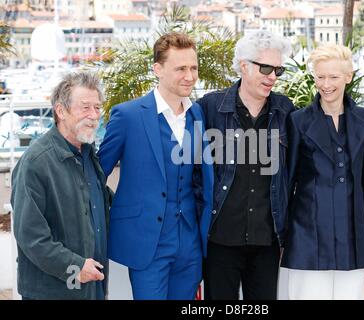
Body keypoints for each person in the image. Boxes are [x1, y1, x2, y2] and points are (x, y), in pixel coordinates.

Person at [98, 32, 213, 300]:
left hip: (190, 245)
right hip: (147, 243)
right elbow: (95, 175)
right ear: (158, 69)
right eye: (181, 68)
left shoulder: (198, 114)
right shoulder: (126, 116)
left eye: (194, 68)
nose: (190, 76)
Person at [197, 30, 294, 300]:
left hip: (267, 241)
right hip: (220, 239)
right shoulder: (210, 108)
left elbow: (309, 157)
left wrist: (360, 164)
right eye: (265, 68)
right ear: (243, 65)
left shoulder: (285, 110)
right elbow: (187, 165)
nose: (272, 77)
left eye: (278, 70)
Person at [281, 44, 364, 300]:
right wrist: (282, 236)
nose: (326, 84)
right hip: (307, 234)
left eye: (334, 77)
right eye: (320, 76)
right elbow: (287, 180)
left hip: (353, 233)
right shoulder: (298, 121)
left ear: (348, 77)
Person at [11, 72, 109, 300]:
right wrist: (75, 268)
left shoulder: (88, 155)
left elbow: (97, 206)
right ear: (61, 111)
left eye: (97, 107)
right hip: (52, 292)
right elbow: (31, 237)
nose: (94, 115)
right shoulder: (36, 163)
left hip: (91, 288)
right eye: (85, 107)